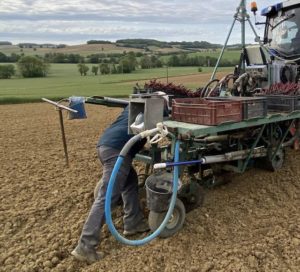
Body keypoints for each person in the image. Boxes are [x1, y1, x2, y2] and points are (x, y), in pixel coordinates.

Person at [71, 105, 149, 264]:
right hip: (117, 151)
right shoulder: (156, 109)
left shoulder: (134, 106)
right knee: (106, 197)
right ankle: (85, 246)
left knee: (130, 180)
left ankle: (133, 222)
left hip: (105, 145)